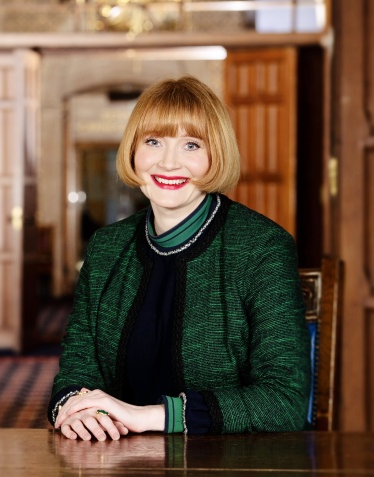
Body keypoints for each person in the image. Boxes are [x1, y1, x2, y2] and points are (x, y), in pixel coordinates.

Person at [47, 76, 310, 441]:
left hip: (227, 463)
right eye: (153, 141)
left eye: (190, 145)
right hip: (115, 458)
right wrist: (74, 408)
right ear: (133, 152)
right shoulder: (106, 247)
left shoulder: (261, 247)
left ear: (215, 155)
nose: (169, 163)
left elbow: (285, 401)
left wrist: (148, 416)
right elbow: (76, 370)